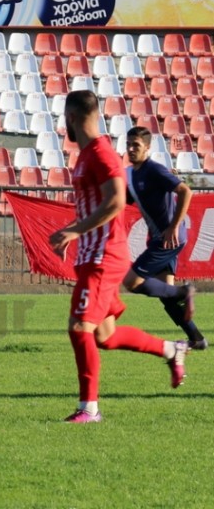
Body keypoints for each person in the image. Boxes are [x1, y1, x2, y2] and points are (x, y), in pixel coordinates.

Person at [49, 91, 189, 424]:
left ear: (71, 117)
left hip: (103, 256)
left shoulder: (102, 154)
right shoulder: (85, 155)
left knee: (79, 327)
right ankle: (172, 349)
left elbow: (115, 201)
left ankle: (89, 409)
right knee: (105, 336)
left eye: (64, 119)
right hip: (92, 254)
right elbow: (98, 205)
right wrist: (75, 230)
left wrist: (76, 231)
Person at [123, 127, 204, 349]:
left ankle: (184, 291)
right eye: (128, 144)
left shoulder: (154, 170)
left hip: (168, 239)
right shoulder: (132, 175)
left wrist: (173, 226)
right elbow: (120, 201)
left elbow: (185, 191)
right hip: (161, 238)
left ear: (147, 148)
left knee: (131, 281)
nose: (130, 149)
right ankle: (196, 339)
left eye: (136, 145)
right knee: (165, 296)